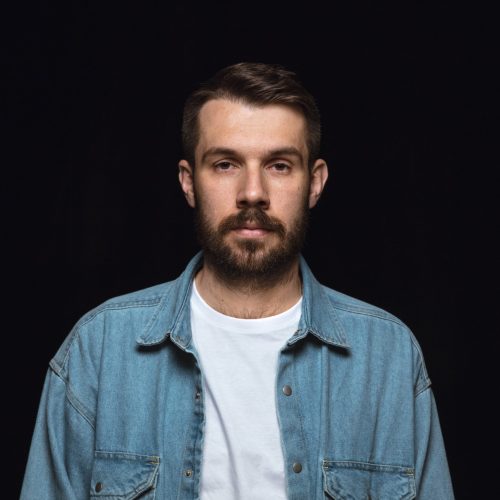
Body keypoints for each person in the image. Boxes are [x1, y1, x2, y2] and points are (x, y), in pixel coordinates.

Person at [21, 62, 454, 499]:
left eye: (279, 165)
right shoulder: (98, 350)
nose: (252, 192)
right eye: (226, 164)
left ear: (315, 183)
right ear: (189, 183)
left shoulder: (388, 358)